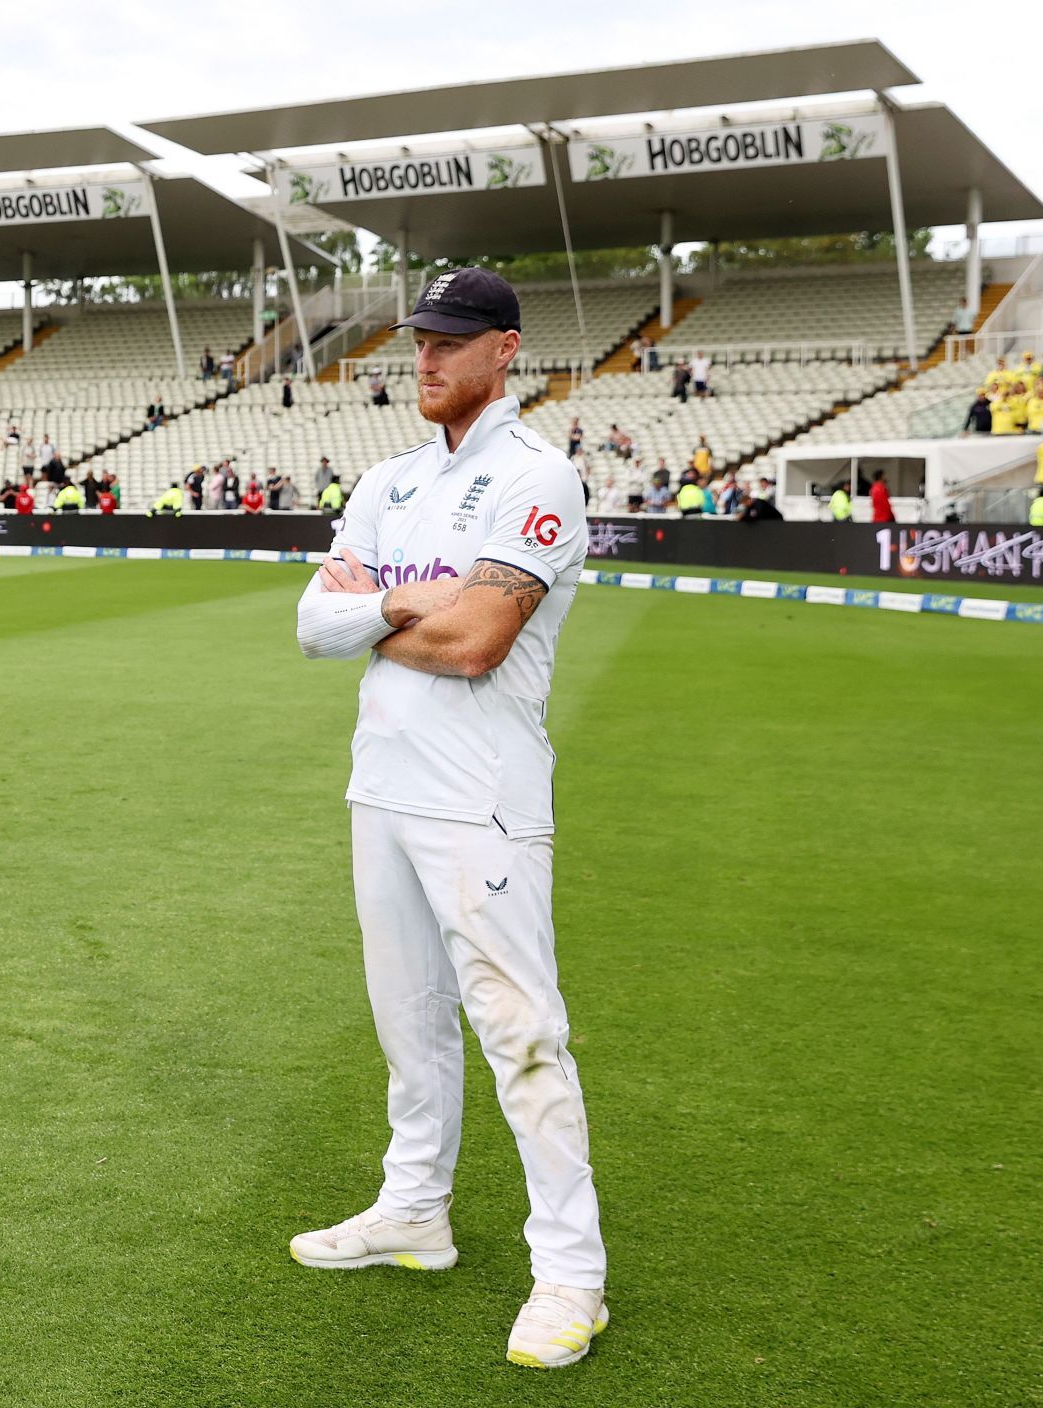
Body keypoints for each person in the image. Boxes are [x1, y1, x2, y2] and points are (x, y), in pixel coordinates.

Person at [293, 267, 605, 1369]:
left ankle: (572, 1275)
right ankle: (413, 1210)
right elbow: (310, 623)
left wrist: (367, 616)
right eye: (419, 339)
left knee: (522, 1034)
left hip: (481, 801)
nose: (425, 358)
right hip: (381, 786)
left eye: (450, 340)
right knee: (407, 1025)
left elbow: (477, 645)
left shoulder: (538, 478)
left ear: (505, 350)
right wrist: (393, 604)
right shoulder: (385, 481)